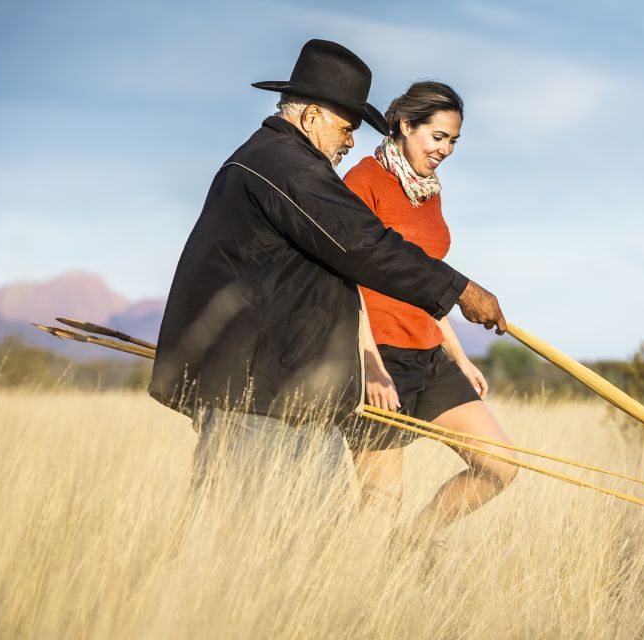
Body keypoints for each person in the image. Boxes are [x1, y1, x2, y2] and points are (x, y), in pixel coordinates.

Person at [148, 41, 507, 483]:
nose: (351, 140)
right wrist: (460, 290)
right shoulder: (284, 165)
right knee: (241, 532)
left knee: (318, 534)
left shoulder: (279, 161)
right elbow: (365, 245)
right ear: (311, 115)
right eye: (346, 126)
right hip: (251, 394)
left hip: (285, 391)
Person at [343, 82, 518, 544]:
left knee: (499, 465)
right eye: (437, 137)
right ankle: (347, 599)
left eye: (453, 141)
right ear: (405, 125)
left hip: (429, 355)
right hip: (379, 356)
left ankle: (410, 545)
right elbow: (345, 279)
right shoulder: (362, 182)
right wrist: (369, 362)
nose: (446, 150)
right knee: (381, 505)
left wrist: (459, 356)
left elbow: (429, 281)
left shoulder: (428, 191)